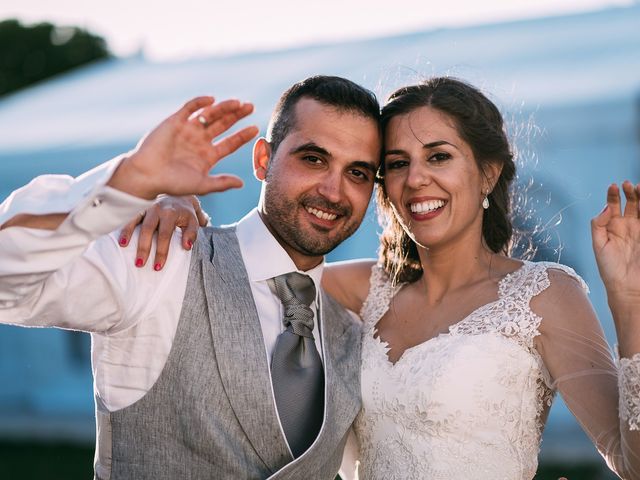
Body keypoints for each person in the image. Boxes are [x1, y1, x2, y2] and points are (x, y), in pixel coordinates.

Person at [141, 77, 640, 479]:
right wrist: (177, 201)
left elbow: (631, 460)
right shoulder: (358, 290)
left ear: (488, 173)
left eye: (439, 157)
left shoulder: (544, 294)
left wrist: (629, 299)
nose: (416, 179)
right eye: (397, 164)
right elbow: (255, 264)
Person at [0, 75, 382, 479]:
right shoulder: (162, 255)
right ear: (262, 160)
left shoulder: (354, 330)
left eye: (357, 173)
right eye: (313, 159)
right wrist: (130, 181)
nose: (334, 191)